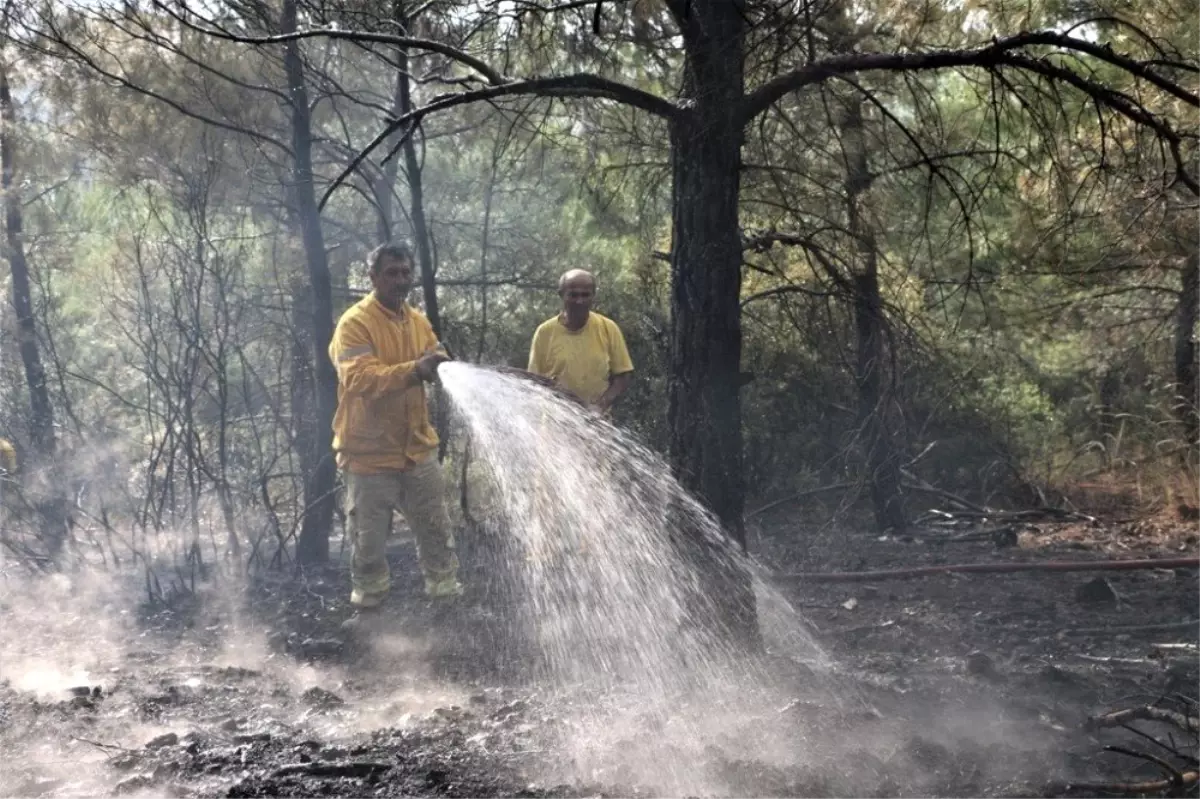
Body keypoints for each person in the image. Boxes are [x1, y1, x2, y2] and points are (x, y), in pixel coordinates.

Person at [328, 241, 460, 609]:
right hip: (369, 456)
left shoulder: (417, 321)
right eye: (391, 273)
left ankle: (446, 605)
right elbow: (359, 380)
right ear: (373, 277)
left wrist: (439, 362)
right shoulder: (354, 324)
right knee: (368, 546)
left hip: (417, 451)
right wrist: (414, 371)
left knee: (437, 534)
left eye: (405, 273)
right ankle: (370, 618)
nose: (400, 280)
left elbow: (434, 355)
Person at [527, 269, 634, 412]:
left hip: (597, 425)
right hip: (554, 423)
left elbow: (623, 376)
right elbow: (533, 381)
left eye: (585, 295)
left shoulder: (608, 328)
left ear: (593, 296)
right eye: (573, 295)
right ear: (561, 295)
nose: (579, 301)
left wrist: (600, 406)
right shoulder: (544, 332)